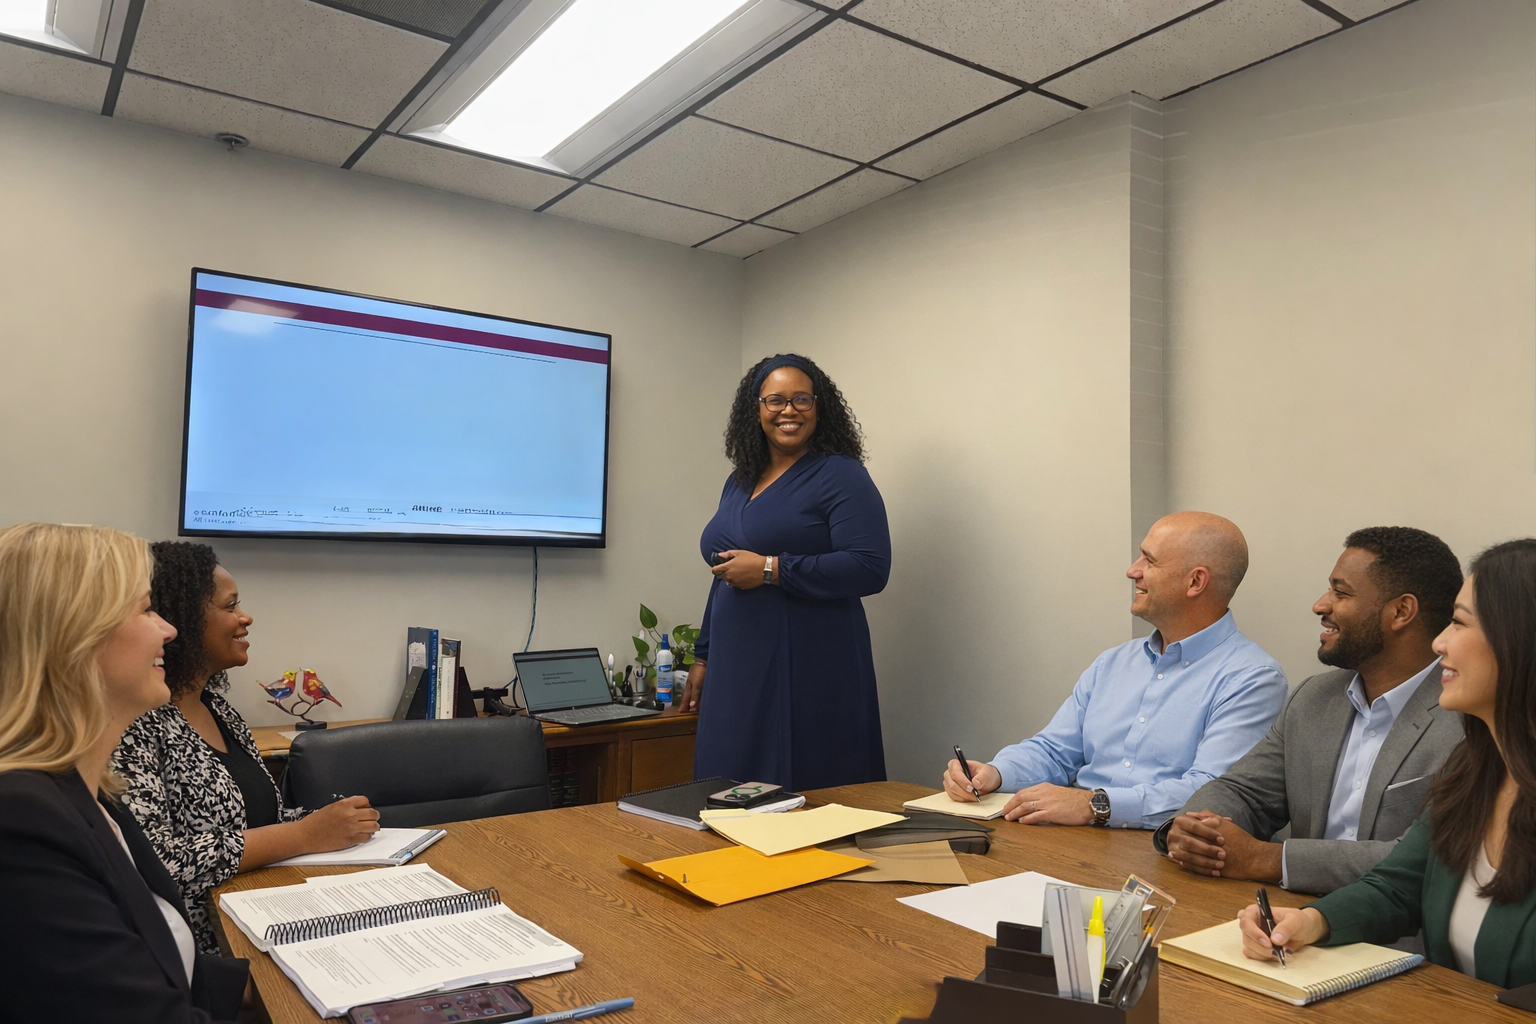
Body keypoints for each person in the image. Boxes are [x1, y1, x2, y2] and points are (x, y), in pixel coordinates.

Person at [1240, 540, 1536, 987]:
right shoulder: (1474, 768)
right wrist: (1310, 921)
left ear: (1520, 642)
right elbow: (1399, 886)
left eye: (1459, 623)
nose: (1440, 641)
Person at [0, 523, 250, 1022]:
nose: (169, 629)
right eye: (146, 609)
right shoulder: (20, 822)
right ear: (75, 634)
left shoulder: (94, 795)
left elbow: (166, 961)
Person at [1158, 527, 1464, 893]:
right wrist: (1195, 828)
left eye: (1341, 592)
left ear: (1401, 611)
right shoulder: (1314, 698)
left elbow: (1430, 860)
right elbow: (1243, 792)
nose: (1321, 605)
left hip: (1400, 942)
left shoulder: (1468, 718)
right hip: (1290, 922)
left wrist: (1268, 859)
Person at [112, 541, 378, 954]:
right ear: (182, 615)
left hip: (269, 914)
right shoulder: (135, 721)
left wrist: (335, 823)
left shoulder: (219, 709)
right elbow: (157, 862)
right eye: (230, 606)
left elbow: (257, 819)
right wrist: (303, 834)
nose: (246, 617)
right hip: (207, 951)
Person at [942, 512, 1287, 828]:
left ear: (1195, 582)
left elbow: (1212, 794)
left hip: (1169, 857)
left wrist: (1096, 805)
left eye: (1149, 560)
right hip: (1074, 842)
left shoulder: (1252, 679)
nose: (1132, 570)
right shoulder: (1113, 663)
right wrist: (994, 773)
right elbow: (1054, 750)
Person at [678, 353, 890, 790]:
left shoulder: (841, 476)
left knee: (796, 794)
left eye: (801, 399)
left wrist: (773, 569)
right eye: (774, 400)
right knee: (726, 788)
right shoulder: (739, 480)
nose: (788, 410)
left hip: (809, 664)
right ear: (755, 409)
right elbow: (724, 573)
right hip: (736, 668)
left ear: (819, 408)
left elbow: (870, 567)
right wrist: (703, 656)